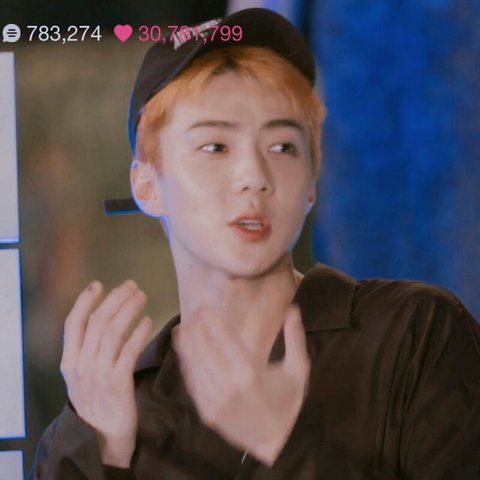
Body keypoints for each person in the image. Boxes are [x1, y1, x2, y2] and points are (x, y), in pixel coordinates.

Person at [30, 8, 480, 480]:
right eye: (215, 147)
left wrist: (281, 445)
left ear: (311, 181)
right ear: (146, 186)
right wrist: (99, 455)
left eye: (283, 147)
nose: (254, 176)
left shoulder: (415, 335)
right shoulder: (115, 409)